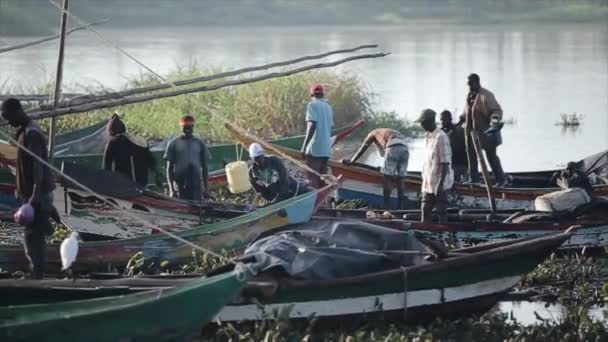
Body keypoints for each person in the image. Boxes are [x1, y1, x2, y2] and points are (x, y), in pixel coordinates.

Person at [1, 98, 58, 279]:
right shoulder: (23, 132)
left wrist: (35, 195)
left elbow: (37, 166)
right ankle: (37, 271)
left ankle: (38, 276)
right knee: (33, 234)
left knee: (34, 236)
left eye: (7, 116)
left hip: (37, 192)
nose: (7, 121)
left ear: (17, 111)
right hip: (32, 194)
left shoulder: (32, 134)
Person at [344, 128, 409, 209]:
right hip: (405, 147)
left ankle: (386, 206)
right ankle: (401, 207)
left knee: (387, 177)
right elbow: (384, 154)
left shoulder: (372, 133)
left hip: (392, 146)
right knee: (401, 178)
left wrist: (352, 161)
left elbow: (363, 148)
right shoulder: (386, 132)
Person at [462, 73, 506, 186]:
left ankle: (501, 180)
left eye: (470, 84)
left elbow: (496, 111)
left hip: (487, 135)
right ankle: (474, 180)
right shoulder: (470, 96)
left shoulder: (486, 95)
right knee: (471, 157)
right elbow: (467, 113)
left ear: (476, 82)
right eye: (468, 84)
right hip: (471, 135)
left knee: (491, 157)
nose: (469, 86)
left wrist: (494, 120)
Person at [416, 109, 454, 224]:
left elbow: (445, 163)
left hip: (439, 183)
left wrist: (440, 184)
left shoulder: (441, 137)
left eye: (423, 122)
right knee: (425, 209)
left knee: (441, 210)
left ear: (430, 121)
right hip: (428, 182)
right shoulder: (428, 136)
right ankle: (425, 233)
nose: (421, 125)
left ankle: (444, 235)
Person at [102, 113, 157, 187]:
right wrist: (156, 172)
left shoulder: (113, 142)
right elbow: (151, 160)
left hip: (123, 181)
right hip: (141, 180)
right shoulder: (139, 140)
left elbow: (106, 166)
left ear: (111, 130)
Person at [164, 115, 209, 202]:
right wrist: (171, 189)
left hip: (196, 184)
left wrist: (206, 189)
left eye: (190, 127)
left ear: (193, 127)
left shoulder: (200, 143)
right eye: (185, 127)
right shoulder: (173, 143)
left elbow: (205, 167)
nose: (188, 129)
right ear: (181, 127)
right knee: (181, 207)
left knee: (197, 208)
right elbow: (169, 168)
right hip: (180, 184)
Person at [301, 84, 334, 188]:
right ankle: (322, 203)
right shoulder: (328, 107)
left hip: (315, 148)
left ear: (311, 94)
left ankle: (313, 202)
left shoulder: (312, 105)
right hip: (326, 150)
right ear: (322, 94)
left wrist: (304, 147)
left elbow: (312, 125)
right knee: (322, 179)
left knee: (311, 179)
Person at [440, 110, 467, 182]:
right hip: (452, 164)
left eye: (444, 120)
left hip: (460, 163)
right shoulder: (443, 131)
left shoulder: (459, 130)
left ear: (449, 119)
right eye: (441, 120)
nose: (442, 122)